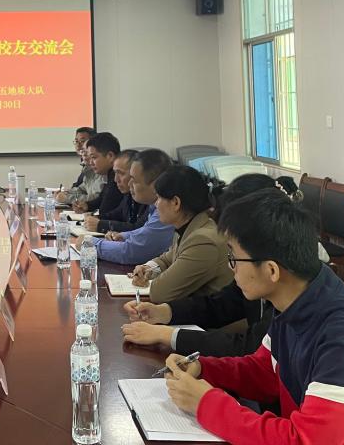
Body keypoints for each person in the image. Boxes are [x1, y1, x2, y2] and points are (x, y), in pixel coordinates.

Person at [163, 189, 344, 445]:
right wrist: (204, 368)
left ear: (271, 270)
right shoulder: (298, 302)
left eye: (234, 258)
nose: (232, 268)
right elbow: (265, 371)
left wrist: (206, 404)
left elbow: (303, 441)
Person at [122, 173, 300, 356]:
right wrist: (163, 312)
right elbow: (220, 305)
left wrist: (168, 335)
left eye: (233, 254)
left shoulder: (292, 290)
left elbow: (251, 347)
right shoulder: (264, 262)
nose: (231, 265)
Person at [127, 165, 232, 303]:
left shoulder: (203, 241)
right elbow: (166, 259)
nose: (156, 204)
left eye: (159, 198)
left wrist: (156, 278)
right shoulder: (190, 227)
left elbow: (160, 293)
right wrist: (147, 269)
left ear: (176, 203)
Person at [92, 149, 174, 266]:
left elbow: (131, 252)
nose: (129, 184)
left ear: (156, 184)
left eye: (134, 180)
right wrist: (124, 236)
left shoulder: (168, 211)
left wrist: (91, 244)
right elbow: (145, 230)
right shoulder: (154, 207)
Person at [84, 149, 146, 234]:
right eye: (115, 173)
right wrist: (96, 217)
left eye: (121, 173)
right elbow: (116, 214)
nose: (116, 179)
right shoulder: (129, 195)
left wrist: (101, 225)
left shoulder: (148, 199)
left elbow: (138, 230)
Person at [73, 132, 121, 215]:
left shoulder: (118, 178)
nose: (91, 162)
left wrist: (99, 221)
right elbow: (102, 199)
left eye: (94, 157)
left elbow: (106, 209)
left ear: (110, 156)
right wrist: (87, 205)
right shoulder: (110, 174)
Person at [57, 126, 99, 205]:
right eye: (76, 141)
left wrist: (67, 198)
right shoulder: (87, 167)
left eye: (82, 141)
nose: (78, 145)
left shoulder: (100, 169)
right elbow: (81, 188)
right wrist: (66, 193)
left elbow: (95, 198)